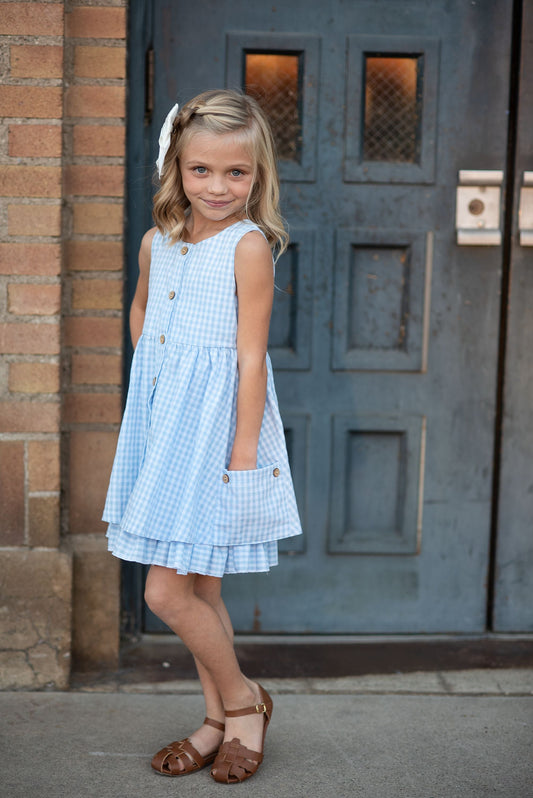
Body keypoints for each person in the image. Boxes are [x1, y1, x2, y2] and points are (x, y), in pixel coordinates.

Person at [102, 89, 302, 784]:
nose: (218, 188)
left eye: (236, 173)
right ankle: (218, 720)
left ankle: (245, 704)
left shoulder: (249, 249)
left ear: (258, 176)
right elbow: (139, 312)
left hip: (220, 436)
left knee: (165, 594)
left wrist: (240, 453)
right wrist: (154, 391)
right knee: (201, 591)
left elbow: (251, 357)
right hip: (166, 430)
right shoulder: (157, 242)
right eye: (201, 171)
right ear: (176, 169)